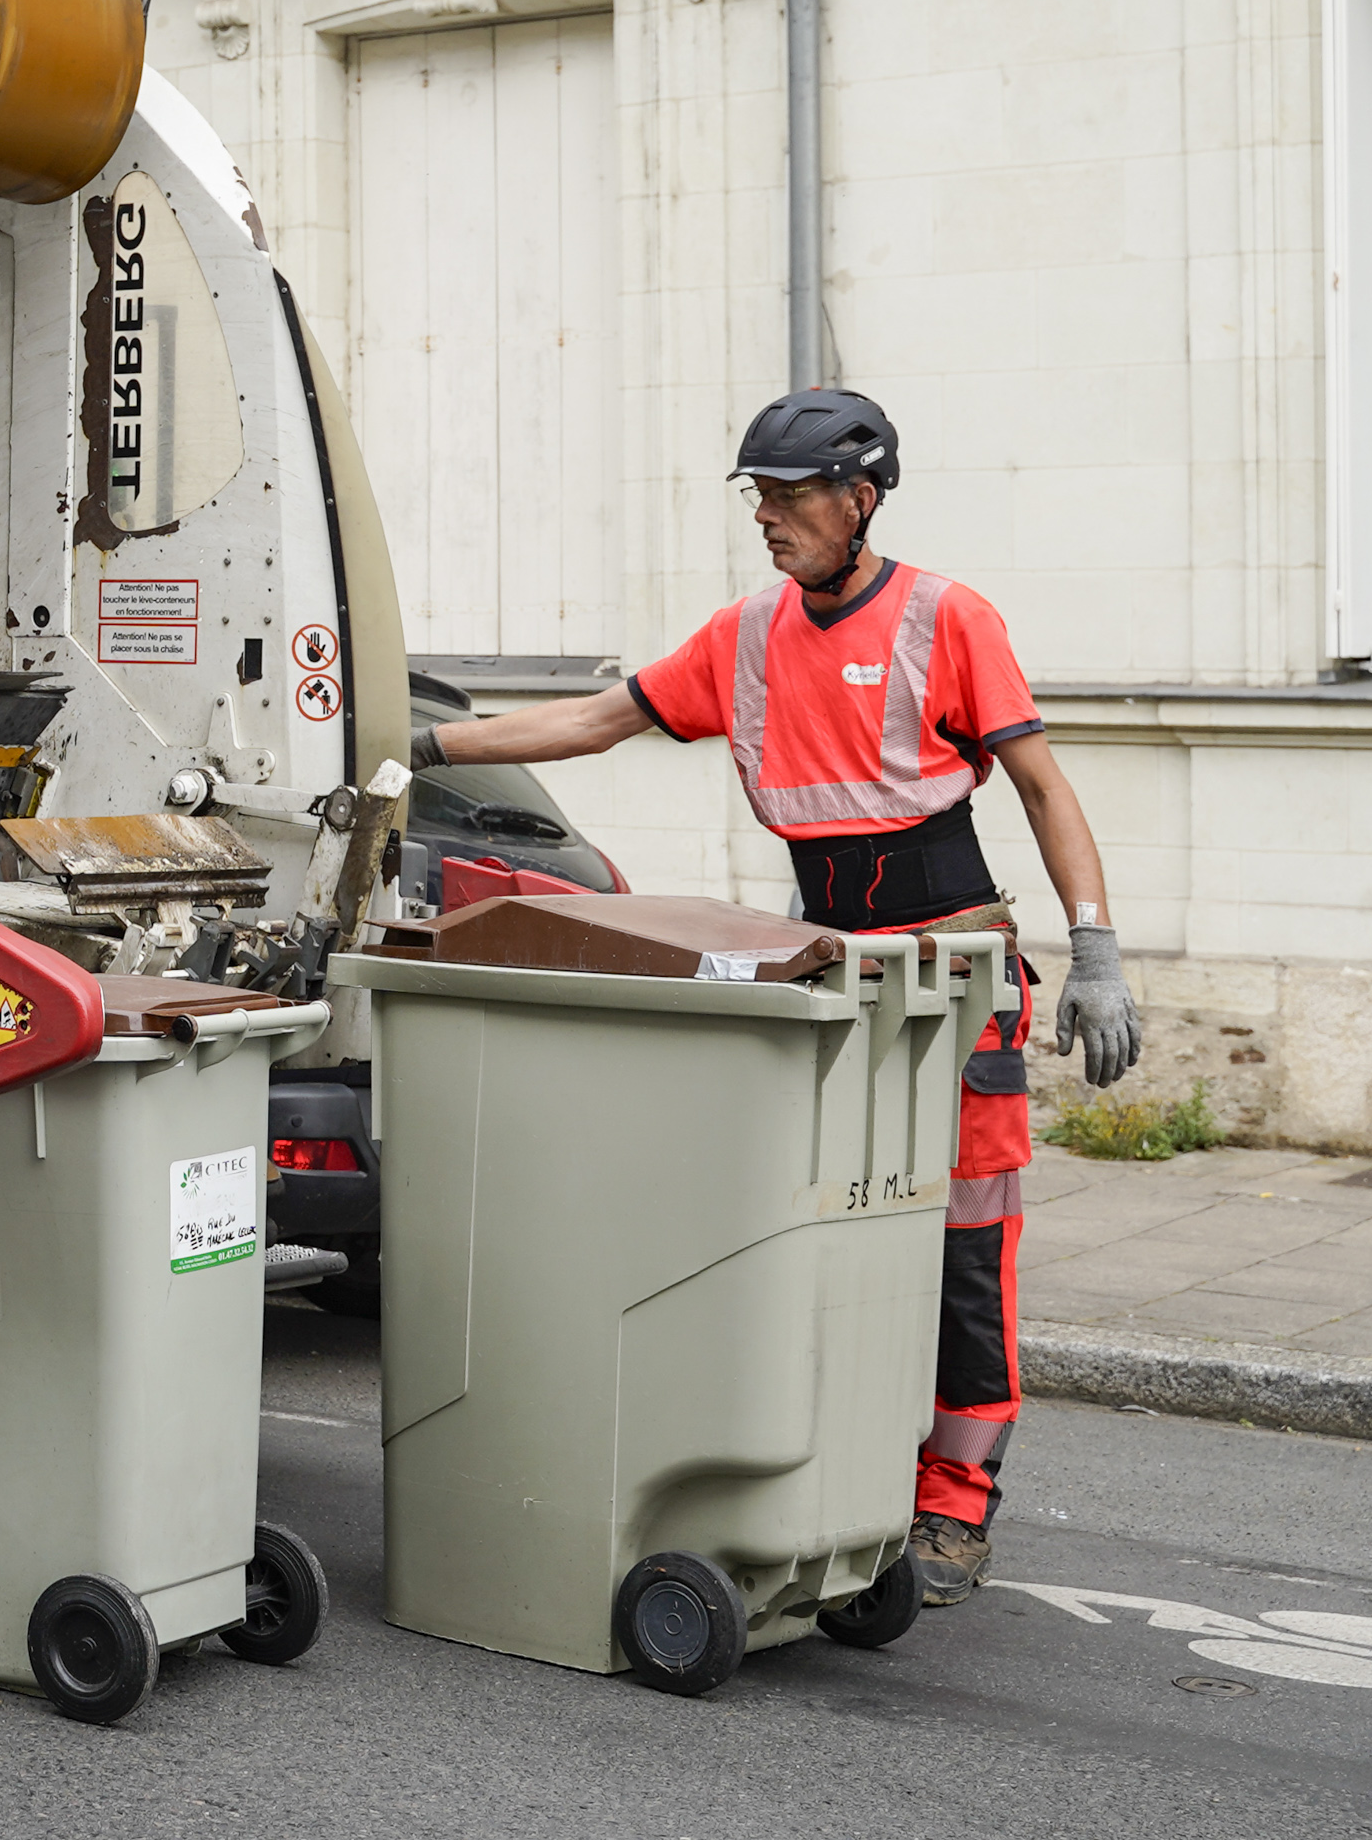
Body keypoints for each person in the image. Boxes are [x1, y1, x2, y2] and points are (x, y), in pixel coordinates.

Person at [416, 387, 1142, 1605]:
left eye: (791, 495)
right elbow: (597, 718)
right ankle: (834, 1462)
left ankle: (955, 1503)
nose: (768, 517)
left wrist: (1097, 945)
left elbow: (1039, 784)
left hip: (949, 965)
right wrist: (422, 744)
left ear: (859, 500)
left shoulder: (944, 617)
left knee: (965, 1232)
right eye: (756, 495)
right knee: (813, 1228)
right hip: (820, 965)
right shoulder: (744, 635)